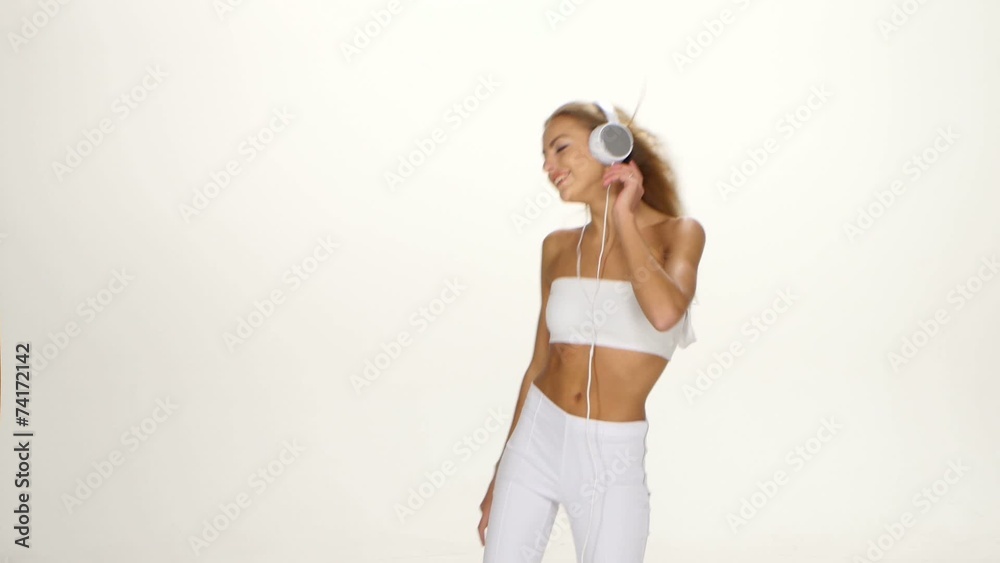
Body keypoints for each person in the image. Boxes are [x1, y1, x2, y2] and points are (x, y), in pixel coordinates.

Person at [477, 101, 705, 562]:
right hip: (536, 439)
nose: (549, 167)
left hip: (611, 456)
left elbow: (664, 314)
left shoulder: (679, 234)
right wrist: (501, 471)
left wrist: (624, 218)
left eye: (560, 149)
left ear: (608, 147)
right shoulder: (557, 247)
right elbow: (539, 364)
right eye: (544, 156)